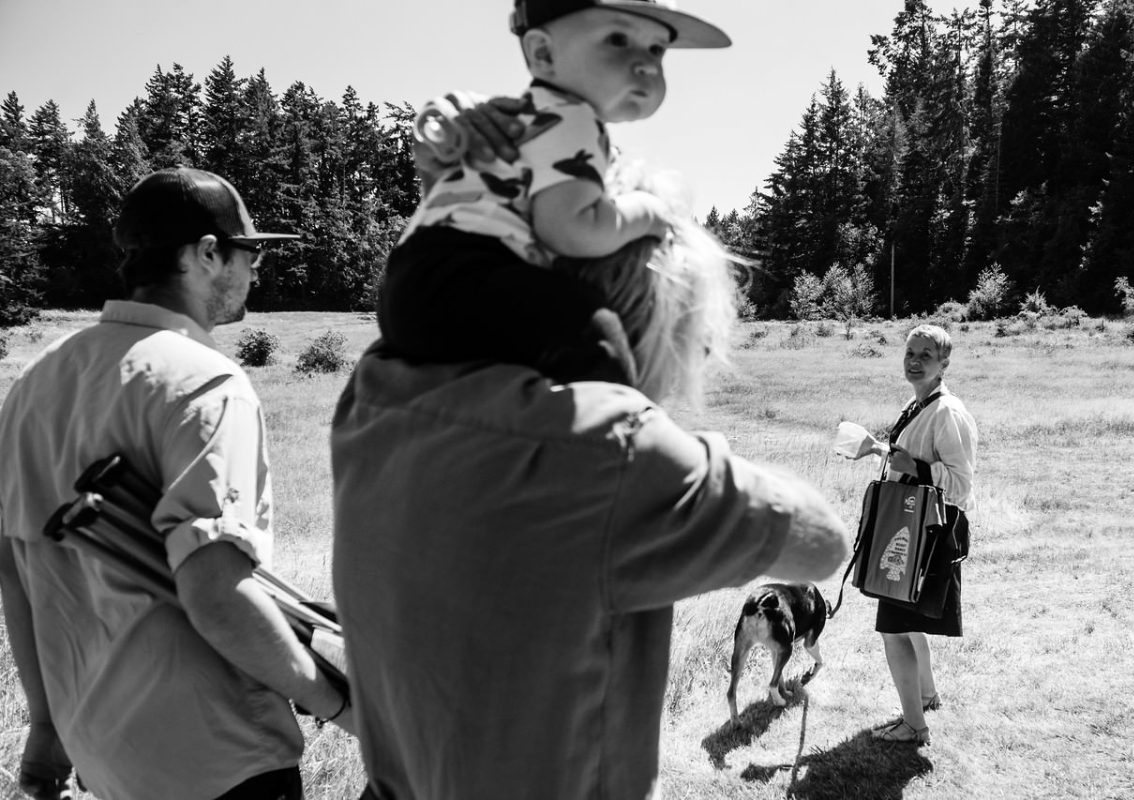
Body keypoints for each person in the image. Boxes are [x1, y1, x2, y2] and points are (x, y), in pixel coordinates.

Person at [331, 161, 851, 800]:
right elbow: (824, 543)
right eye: (698, 342)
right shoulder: (611, 451)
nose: (695, 365)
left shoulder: (376, 393)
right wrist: (689, 451)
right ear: (654, 320)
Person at [0, 167, 356, 800]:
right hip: (219, 757)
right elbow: (218, 593)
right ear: (208, 253)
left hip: (106, 754)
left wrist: (49, 724)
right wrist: (338, 704)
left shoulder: (36, 381)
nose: (257, 270)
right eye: (251, 252)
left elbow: (15, 567)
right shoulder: (206, 385)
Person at [376, 0, 731, 384]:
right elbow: (570, 230)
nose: (646, 63)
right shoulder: (573, 118)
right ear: (543, 53)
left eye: (657, 49)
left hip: (409, 283)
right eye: (617, 38)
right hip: (468, 278)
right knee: (597, 344)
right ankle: (612, 434)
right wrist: (648, 212)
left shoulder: (532, 117)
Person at [852, 323, 978, 745]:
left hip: (928, 534)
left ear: (944, 364)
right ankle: (926, 695)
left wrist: (916, 469)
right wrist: (878, 449)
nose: (915, 361)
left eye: (926, 355)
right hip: (909, 525)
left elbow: (961, 484)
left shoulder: (948, 412)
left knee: (892, 627)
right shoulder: (919, 402)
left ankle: (914, 726)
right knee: (906, 622)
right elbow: (910, 458)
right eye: (910, 352)